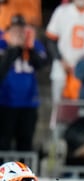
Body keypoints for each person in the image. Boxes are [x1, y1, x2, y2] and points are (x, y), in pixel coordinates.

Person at [0, 14, 48, 151]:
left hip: (28, 102)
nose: (18, 33)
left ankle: (23, 172)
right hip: (5, 102)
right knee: (4, 143)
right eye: (14, 30)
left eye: (21, 30)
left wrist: (28, 48)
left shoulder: (32, 45)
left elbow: (41, 65)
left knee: (25, 143)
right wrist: (13, 49)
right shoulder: (3, 44)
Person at [45, 0, 84, 102]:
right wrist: (61, 60)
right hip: (63, 65)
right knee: (59, 105)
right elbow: (51, 39)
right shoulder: (61, 11)